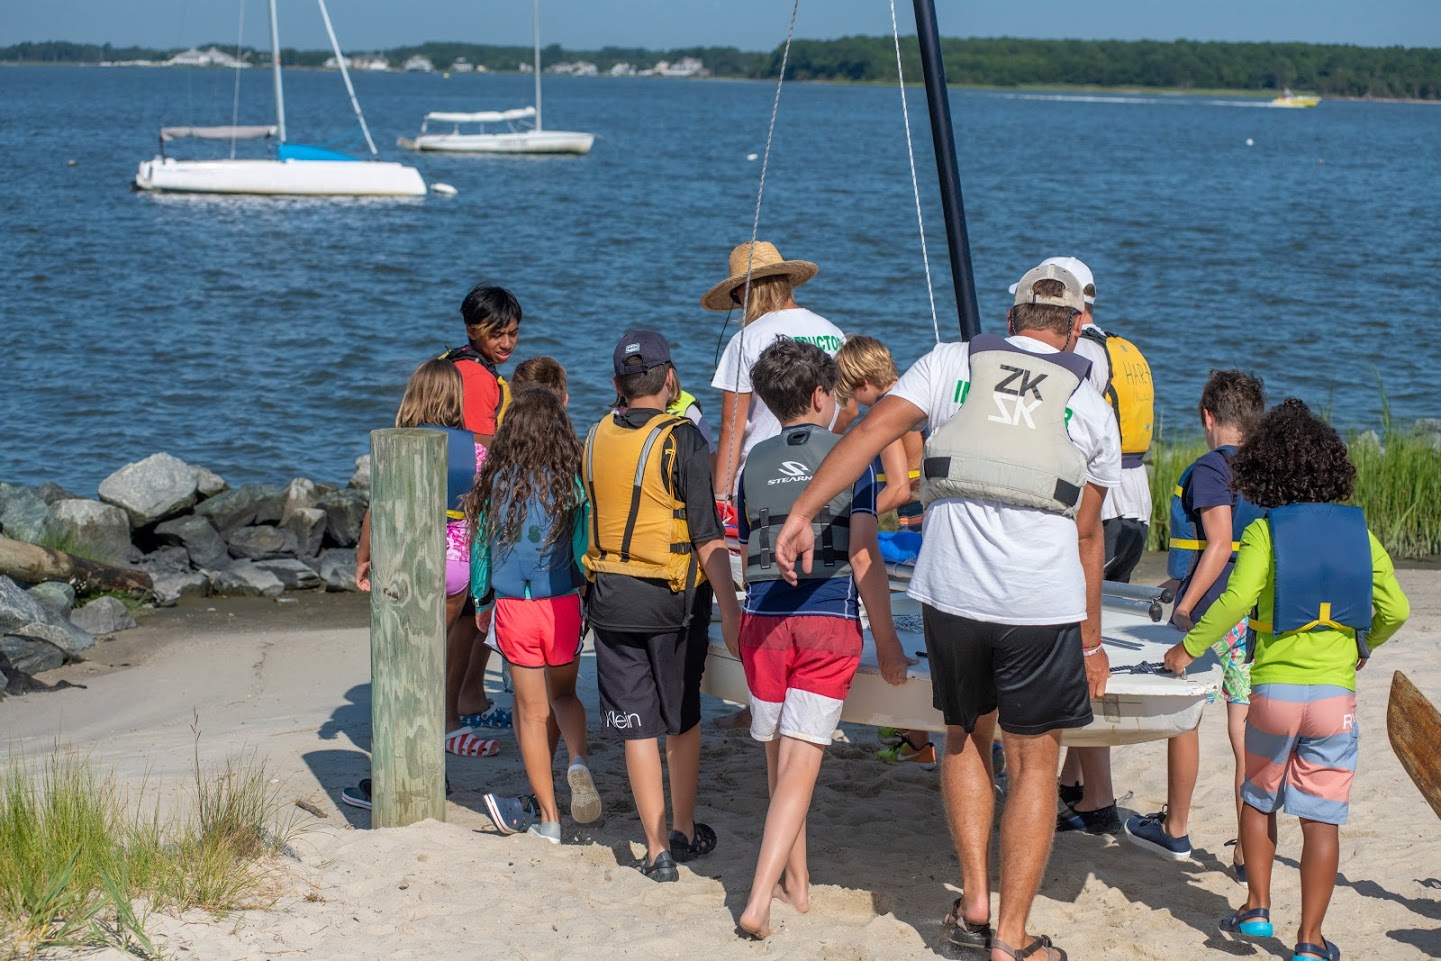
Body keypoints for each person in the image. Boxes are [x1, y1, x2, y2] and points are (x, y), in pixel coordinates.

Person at [770, 263, 1119, 961]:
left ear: (1011, 315)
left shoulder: (950, 361)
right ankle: (1012, 937)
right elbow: (1086, 535)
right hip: (1038, 603)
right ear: (1077, 326)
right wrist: (1090, 640)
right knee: (1030, 763)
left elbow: (867, 434)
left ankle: (975, 903)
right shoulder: (1090, 400)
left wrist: (804, 511)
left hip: (951, 592)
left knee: (963, 736)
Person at [1164, 398, 1410, 961]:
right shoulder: (1361, 537)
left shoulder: (1266, 533)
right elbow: (1395, 607)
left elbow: (1235, 601)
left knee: (1258, 798)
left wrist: (1187, 649)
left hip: (1272, 694)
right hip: (1333, 697)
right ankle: (1309, 940)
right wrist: (1361, 644)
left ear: (1266, 469)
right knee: (1321, 818)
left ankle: (1256, 906)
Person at [732, 339, 909, 939]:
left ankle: (798, 886)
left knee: (779, 767)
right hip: (826, 620)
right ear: (819, 396)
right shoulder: (848, 457)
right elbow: (863, 558)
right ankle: (759, 900)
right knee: (800, 769)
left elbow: (746, 546)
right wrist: (886, 642)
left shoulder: (751, 462)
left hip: (761, 622)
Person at [582, 330, 741, 882]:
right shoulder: (684, 440)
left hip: (608, 599)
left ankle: (656, 852)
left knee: (637, 726)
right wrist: (734, 611)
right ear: (670, 380)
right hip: (674, 602)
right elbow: (708, 539)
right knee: (681, 719)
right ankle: (684, 827)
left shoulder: (595, 434)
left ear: (615, 385)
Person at [1124, 370, 1266, 867]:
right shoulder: (1263, 472)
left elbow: (1220, 544)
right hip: (1251, 618)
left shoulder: (1211, 469)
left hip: (1209, 617)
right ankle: (1249, 849)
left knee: (1184, 719)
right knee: (1244, 730)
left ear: (1209, 418)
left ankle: (1177, 828)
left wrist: (1183, 605)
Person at [1042, 257, 1154, 830]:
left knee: (1078, 643)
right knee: (1092, 630)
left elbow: (1067, 423)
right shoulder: (1124, 349)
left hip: (1100, 505)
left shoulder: (1082, 351)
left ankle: (1097, 797)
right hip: (1136, 499)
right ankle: (1074, 779)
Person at [463, 387, 600, 843]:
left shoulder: (494, 482)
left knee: (531, 712)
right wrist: (585, 587)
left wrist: (482, 603)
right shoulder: (571, 482)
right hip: (561, 604)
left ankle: (550, 819)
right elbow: (582, 550)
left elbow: (480, 552)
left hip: (515, 610)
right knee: (565, 697)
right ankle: (578, 760)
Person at [353, 359, 501, 758]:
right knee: (437, 643)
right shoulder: (476, 447)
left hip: (408, 557)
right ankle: (444, 723)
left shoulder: (398, 443)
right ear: (457, 398)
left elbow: (377, 506)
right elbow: (485, 509)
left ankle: (407, 725)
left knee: (408, 650)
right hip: (457, 562)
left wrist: (363, 556)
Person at [438, 283, 524, 733]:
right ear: (473, 328)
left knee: (477, 615)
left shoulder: (461, 365)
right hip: (465, 516)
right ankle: (450, 711)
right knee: (471, 615)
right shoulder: (475, 377)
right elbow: (480, 447)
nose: (507, 342)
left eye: (513, 333)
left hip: (457, 508)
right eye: (498, 333)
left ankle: (469, 696)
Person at [705, 241, 845, 508]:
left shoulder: (747, 338)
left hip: (763, 472)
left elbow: (731, 426)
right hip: (826, 469)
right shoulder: (833, 332)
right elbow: (846, 409)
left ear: (749, 290)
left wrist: (721, 495)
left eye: (736, 296)